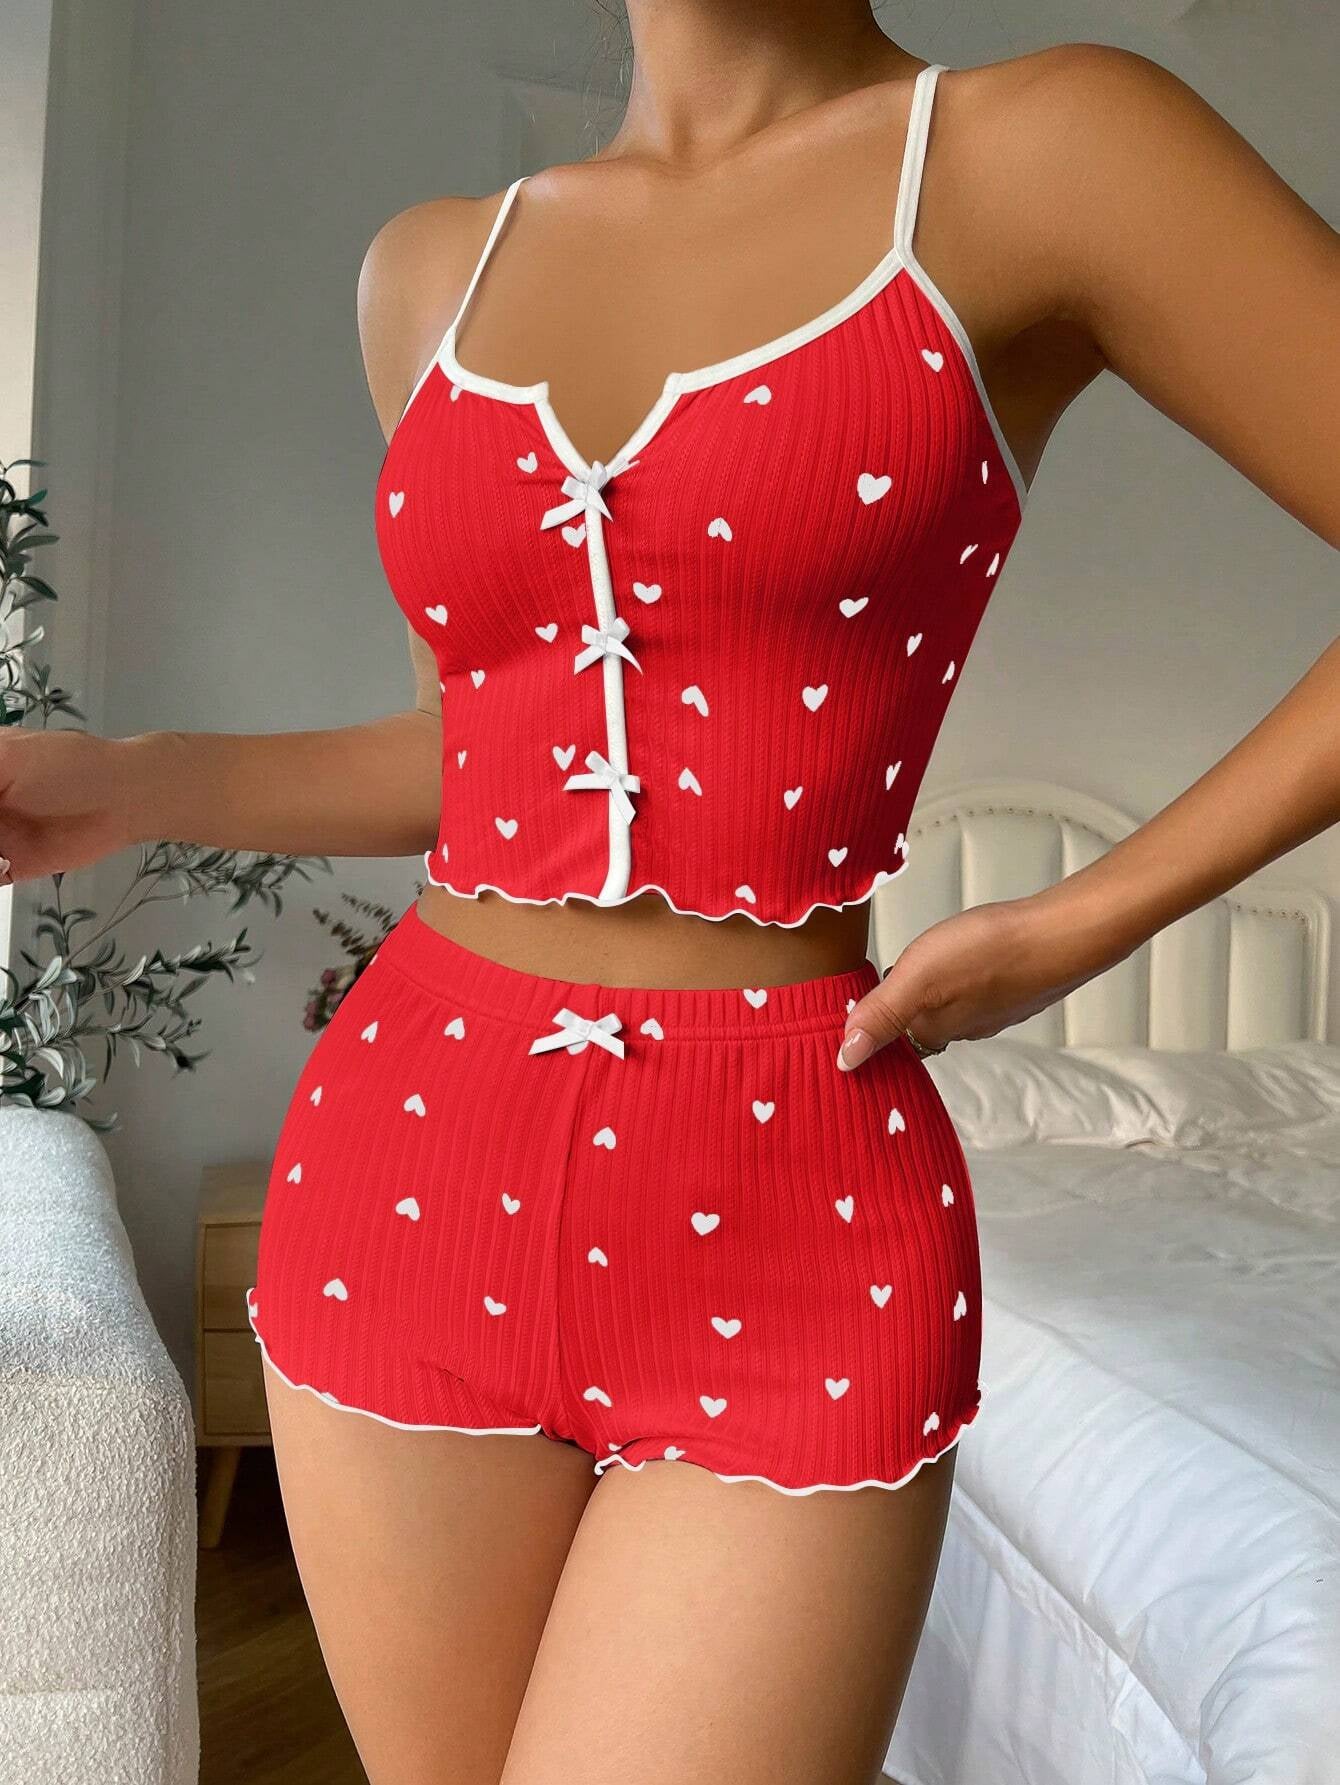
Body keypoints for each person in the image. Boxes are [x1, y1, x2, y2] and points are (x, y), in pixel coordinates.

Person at [2, 9, 1337, 1782]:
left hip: (799, 1202)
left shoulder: (1043, 153)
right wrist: (135, 778)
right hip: (410, 1161)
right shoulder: (431, 271)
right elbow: (478, 760)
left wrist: (1081, 919)